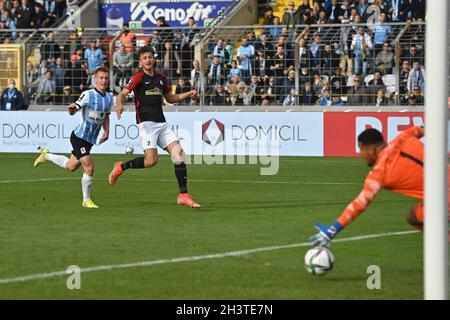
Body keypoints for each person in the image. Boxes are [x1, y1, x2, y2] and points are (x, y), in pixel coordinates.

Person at [309, 126, 450, 247]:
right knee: (413, 216)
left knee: (414, 217)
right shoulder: (405, 136)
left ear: (371, 149)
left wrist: (332, 230)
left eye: (361, 149)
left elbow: (358, 205)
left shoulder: (379, 173)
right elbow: (432, 126)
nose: (361, 155)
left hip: (444, 200)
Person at [108, 46, 201, 208]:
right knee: (151, 161)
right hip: (147, 125)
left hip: (162, 124)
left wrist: (187, 94)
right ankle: (121, 167)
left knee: (179, 155)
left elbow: (170, 98)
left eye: (150, 57)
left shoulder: (161, 77)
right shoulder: (138, 77)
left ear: (154, 59)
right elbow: (122, 93)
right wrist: (119, 104)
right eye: (145, 58)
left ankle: (183, 195)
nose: (148, 60)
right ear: (140, 62)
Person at [33, 67, 113, 209]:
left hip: (89, 140)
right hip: (79, 137)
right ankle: (86, 201)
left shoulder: (109, 97)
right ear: (95, 79)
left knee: (71, 166)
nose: (103, 81)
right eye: (101, 78)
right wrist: (72, 109)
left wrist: (106, 131)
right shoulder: (88, 95)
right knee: (89, 167)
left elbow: (106, 115)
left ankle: (46, 156)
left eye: (106, 78)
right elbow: (75, 107)